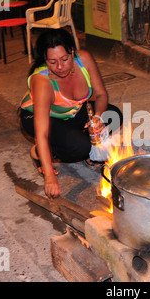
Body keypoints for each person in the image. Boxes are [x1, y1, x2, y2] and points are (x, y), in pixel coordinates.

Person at [19, 28, 122, 199]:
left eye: (64, 59)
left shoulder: (84, 59)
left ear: (72, 52)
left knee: (114, 115)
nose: (59, 67)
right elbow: (42, 133)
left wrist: (96, 118)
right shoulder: (43, 81)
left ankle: (87, 149)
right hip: (42, 119)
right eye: (52, 62)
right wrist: (50, 176)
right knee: (79, 147)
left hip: (72, 113)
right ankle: (38, 153)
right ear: (45, 60)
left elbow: (102, 95)